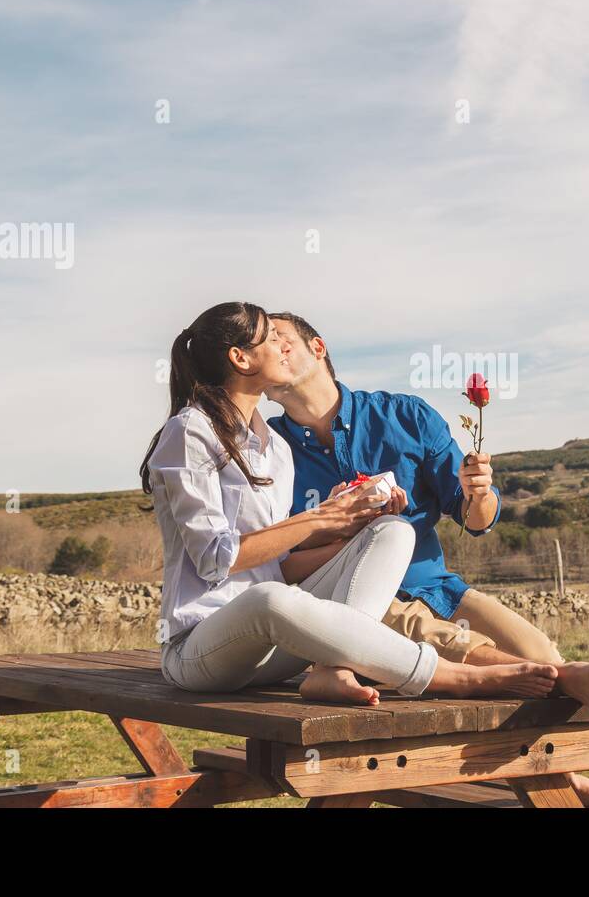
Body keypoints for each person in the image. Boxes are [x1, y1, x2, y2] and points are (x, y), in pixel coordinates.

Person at [266, 311, 589, 805]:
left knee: (538, 648)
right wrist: (345, 522)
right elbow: (282, 555)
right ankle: (560, 766)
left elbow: (476, 518)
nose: (271, 349)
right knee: (438, 641)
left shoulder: (405, 416)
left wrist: (479, 491)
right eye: (261, 347)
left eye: (281, 338)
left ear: (318, 348)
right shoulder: (270, 449)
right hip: (348, 598)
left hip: (436, 585)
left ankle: (562, 777)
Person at [141, 301, 559, 706]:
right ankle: (453, 677)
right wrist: (323, 518)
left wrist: (351, 527)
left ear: (317, 349)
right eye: (270, 339)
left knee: (396, 530)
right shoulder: (194, 431)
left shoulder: (272, 447)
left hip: (311, 634)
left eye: (283, 338)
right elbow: (220, 560)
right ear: (241, 358)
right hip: (216, 639)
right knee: (270, 599)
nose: (280, 347)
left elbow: (280, 562)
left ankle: (335, 666)